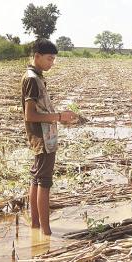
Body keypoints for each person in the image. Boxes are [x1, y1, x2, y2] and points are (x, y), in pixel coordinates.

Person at [21, 38, 79, 235]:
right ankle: (46, 233)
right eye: (49, 59)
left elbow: (39, 109)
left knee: (36, 178)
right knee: (44, 181)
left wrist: (59, 117)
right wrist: (59, 116)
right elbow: (30, 115)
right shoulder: (32, 79)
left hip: (42, 136)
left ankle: (36, 226)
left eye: (53, 59)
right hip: (43, 138)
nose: (51, 63)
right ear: (37, 56)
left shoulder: (35, 77)